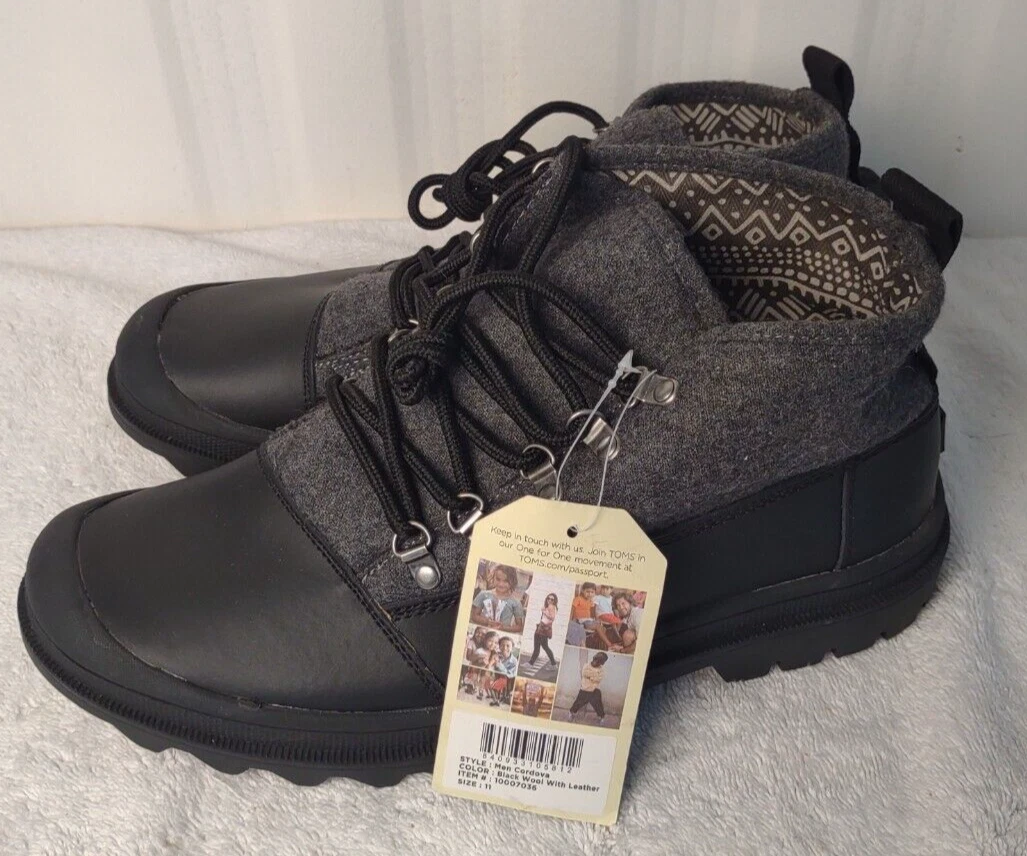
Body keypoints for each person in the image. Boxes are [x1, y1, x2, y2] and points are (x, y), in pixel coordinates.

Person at [470, 565, 525, 633]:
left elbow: (519, 627)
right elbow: (474, 616)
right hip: (483, 632)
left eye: (506, 581)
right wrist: (488, 622)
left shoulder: (516, 602)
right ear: (493, 577)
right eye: (498, 579)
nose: (501, 584)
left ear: (513, 581)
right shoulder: (483, 594)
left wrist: (503, 628)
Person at [569, 652, 608, 724]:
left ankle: (601, 717)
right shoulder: (586, 665)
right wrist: (594, 676)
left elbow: (599, 679)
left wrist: (590, 677)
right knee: (578, 703)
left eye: (598, 662)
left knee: (598, 705)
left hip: (594, 690)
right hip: (584, 689)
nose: (596, 663)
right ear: (594, 658)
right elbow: (584, 674)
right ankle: (571, 713)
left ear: (601, 663)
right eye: (595, 660)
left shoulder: (601, 669)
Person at [529, 593, 559, 667]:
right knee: (542, 647)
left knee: (541, 647)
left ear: (554, 601)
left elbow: (552, 617)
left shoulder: (551, 606)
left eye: (552, 599)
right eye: (548, 598)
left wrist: (544, 611)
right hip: (542, 627)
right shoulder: (549, 606)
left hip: (543, 629)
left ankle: (553, 664)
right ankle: (531, 663)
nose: (550, 600)